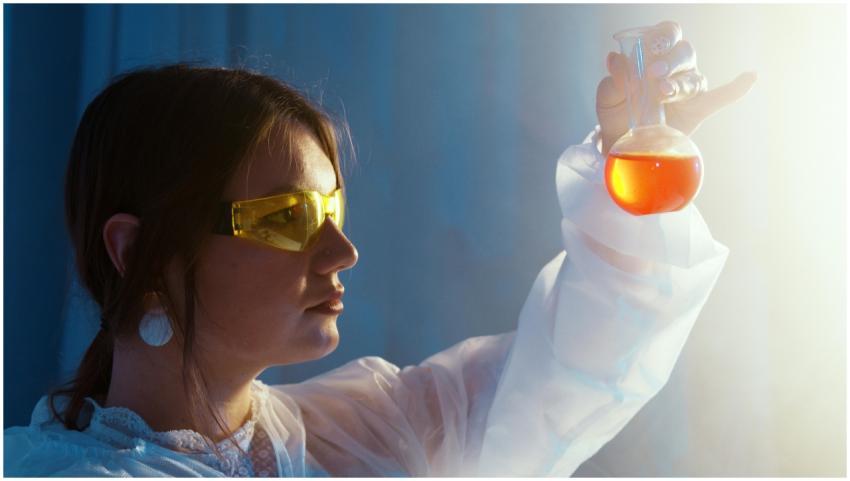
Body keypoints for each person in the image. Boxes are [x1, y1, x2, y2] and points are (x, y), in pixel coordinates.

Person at [3, 20, 755, 477]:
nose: (342, 250)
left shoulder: (373, 433)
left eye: (334, 209)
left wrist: (634, 164)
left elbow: (573, 367)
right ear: (136, 253)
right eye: (287, 216)